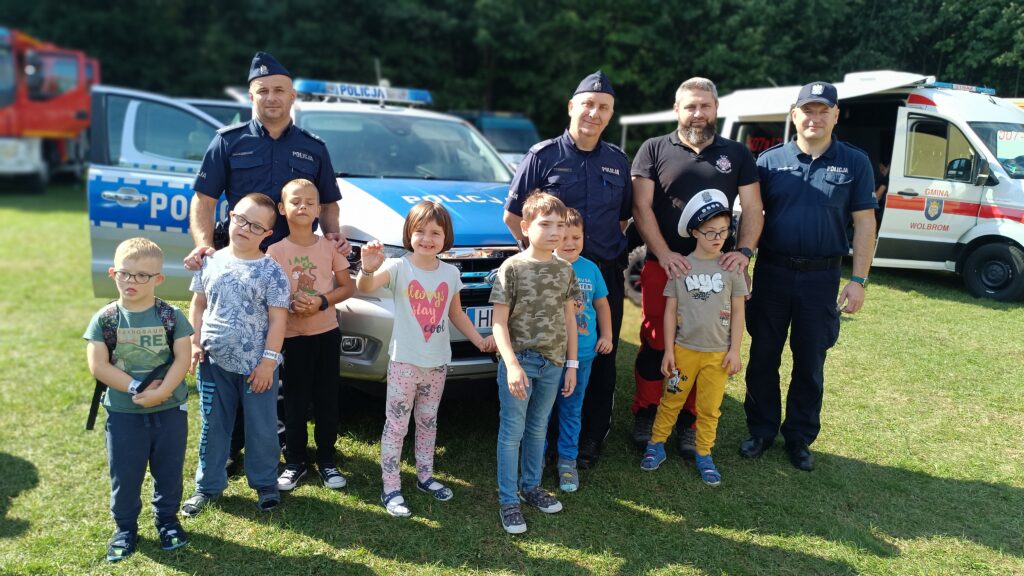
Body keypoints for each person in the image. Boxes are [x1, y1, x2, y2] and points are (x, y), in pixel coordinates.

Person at [184, 51, 349, 471]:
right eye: (262, 91)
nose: (271, 97)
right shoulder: (228, 141)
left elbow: (329, 204)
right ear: (251, 96)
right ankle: (233, 446)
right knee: (238, 352)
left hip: (298, 270)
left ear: (293, 96)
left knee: (289, 357)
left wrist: (332, 238)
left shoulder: (313, 148)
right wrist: (204, 246)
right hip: (244, 268)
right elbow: (204, 200)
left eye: (279, 90)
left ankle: (288, 445)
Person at [740, 81, 877, 472]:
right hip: (772, 273)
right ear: (794, 115)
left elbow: (865, 223)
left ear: (836, 116)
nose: (814, 118)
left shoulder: (855, 162)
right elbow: (752, 216)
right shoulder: (768, 162)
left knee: (810, 361)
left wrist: (859, 280)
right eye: (807, 111)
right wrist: (743, 266)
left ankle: (799, 437)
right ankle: (761, 430)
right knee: (763, 356)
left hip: (821, 278)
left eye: (823, 111)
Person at [503, 70, 631, 470]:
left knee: (599, 356)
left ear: (610, 114)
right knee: (548, 356)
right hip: (550, 277)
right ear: (572, 106)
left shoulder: (617, 160)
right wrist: (538, 260)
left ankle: (588, 439)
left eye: (604, 107)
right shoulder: (542, 156)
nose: (594, 113)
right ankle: (545, 441)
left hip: (601, 277)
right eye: (588, 104)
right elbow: (513, 216)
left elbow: (622, 220)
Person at [630, 77, 762, 458]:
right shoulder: (654, 149)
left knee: (705, 343)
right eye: (690, 106)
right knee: (657, 340)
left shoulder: (737, 154)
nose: (698, 113)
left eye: (705, 105)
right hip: (666, 266)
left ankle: (690, 421)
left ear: (716, 108)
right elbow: (640, 207)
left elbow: (753, 208)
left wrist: (744, 252)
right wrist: (663, 253)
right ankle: (647, 411)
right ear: (677, 109)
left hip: (716, 271)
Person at [356, 201, 494, 518]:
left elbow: (456, 313)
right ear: (409, 233)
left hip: (437, 363)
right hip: (404, 363)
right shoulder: (398, 267)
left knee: (428, 423)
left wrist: (479, 340)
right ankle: (391, 488)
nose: (427, 239)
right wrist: (368, 267)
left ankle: (425, 477)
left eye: (435, 232)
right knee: (396, 426)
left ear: (446, 237)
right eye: (420, 231)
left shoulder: (450, 273)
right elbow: (364, 286)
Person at [84, 238, 193, 561]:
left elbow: (182, 359)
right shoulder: (105, 319)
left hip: (170, 411)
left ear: (158, 278)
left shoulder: (171, 316)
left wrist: (162, 392)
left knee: (169, 472)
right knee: (125, 474)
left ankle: (167, 521)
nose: (132, 281)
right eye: (125, 273)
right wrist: (136, 388)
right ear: (112, 273)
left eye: (143, 275)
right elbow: (98, 366)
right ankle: (125, 528)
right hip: (124, 414)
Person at [182, 193, 291, 516]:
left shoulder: (272, 272)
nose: (245, 228)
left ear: (267, 234)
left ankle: (265, 484)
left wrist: (268, 362)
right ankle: (207, 486)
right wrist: (195, 343)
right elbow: (198, 304)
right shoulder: (210, 262)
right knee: (213, 426)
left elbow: (278, 320)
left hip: (258, 368)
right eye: (241, 219)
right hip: (213, 363)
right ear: (230, 216)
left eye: (256, 226)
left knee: (262, 428)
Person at [638, 191, 747, 487]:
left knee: (709, 408)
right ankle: (656, 444)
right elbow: (670, 312)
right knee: (671, 400)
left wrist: (735, 350)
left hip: (718, 355)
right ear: (695, 232)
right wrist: (669, 351)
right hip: (684, 351)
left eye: (723, 231)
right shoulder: (681, 267)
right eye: (710, 232)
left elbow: (739, 311)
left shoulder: (732, 269)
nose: (717, 238)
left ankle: (704, 453)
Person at [490, 192, 580, 534]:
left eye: (560, 225)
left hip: (553, 364)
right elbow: (498, 323)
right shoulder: (512, 268)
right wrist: (512, 365)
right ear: (526, 227)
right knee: (512, 431)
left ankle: (531, 487)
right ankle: (508, 500)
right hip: (521, 363)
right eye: (546, 224)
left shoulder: (565, 270)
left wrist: (572, 364)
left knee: (538, 428)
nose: (555, 232)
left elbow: (569, 319)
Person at [266, 179, 356, 492]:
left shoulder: (329, 247)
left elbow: (347, 286)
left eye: (309, 202)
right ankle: (295, 462)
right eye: (295, 201)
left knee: (327, 399)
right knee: (294, 401)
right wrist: (290, 305)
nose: (302, 206)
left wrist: (321, 302)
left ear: (319, 209)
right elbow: (268, 295)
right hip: (291, 338)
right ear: (282, 208)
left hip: (326, 335)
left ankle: (327, 460)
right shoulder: (275, 252)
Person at [548, 208, 613, 492]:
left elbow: (601, 304)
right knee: (542, 409)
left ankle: (567, 460)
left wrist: (607, 335)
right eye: (564, 237)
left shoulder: (591, 269)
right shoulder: (545, 267)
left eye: (576, 237)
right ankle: (538, 455)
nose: (570, 243)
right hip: (549, 354)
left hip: (584, 353)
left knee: (572, 409)